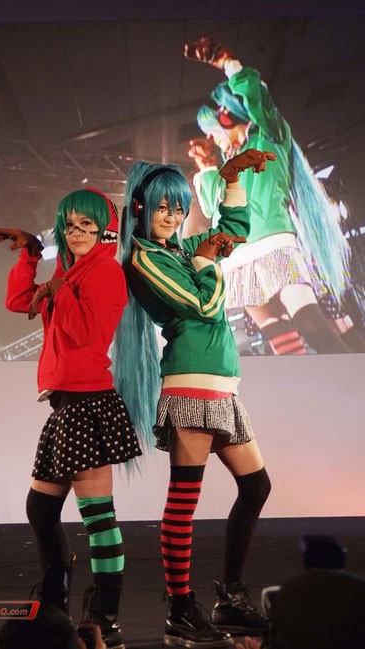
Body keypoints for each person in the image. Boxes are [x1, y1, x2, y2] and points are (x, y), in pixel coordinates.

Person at [113, 154, 274, 648]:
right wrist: (205, 258)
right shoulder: (143, 259)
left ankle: (230, 597)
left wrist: (231, 180)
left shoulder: (177, 249)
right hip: (190, 385)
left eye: (179, 209)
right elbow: (203, 304)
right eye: (164, 207)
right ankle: (181, 608)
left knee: (256, 487)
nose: (173, 216)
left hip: (222, 385)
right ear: (140, 207)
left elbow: (233, 232)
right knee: (184, 501)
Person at [0, 188, 142, 649]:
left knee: (98, 519)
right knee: (41, 509)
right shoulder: (70, 271)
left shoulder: (106, 272)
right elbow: (19, 301)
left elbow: (86, 331)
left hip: (88, 404)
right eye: (70, 225)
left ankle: (105, 619)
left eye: (86, 225)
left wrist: (62, 290)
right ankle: (54, 609)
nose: (75, 233)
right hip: (66, 407)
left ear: (105, 231)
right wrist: (32, 254)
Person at [185, 36, 354, 355]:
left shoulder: (269, 136)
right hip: (238, 255)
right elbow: (212, 208)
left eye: (213, 130)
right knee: (281, 342)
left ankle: (360, 378)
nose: (211, 138)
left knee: (312, 326)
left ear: (229, 118)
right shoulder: (228, 166)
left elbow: (258, 98)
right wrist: (206, 167)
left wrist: (227, 63)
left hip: (273, 244)